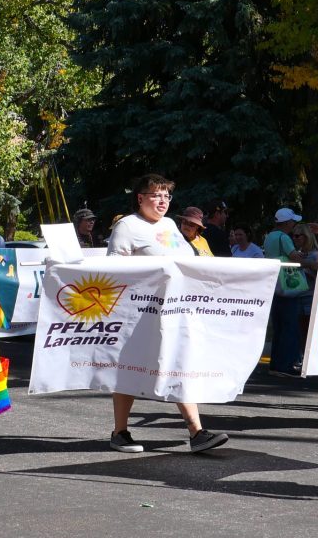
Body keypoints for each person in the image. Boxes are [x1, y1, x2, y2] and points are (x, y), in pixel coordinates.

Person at [106, 174, 229, 454]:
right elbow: (115, 269)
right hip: (139, 313)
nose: (162, 201)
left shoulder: (171, 225)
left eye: (166, 196)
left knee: (179, 363)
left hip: (175, 309)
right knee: (129, 369)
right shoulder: (127, 226)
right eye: (156, 195)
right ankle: (120, 431)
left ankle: (197, 432)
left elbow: (187, 259)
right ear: (140, 198)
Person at [263, 208, 307, 377]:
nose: (294, 225)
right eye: (293, 222)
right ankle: (285, 365)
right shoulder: (283, 237)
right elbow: (294, 256)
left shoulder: (269, 237)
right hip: (287, 285)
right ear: (287, 223)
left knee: (279, 327)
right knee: (290, 326)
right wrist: (304, 257)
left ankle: (276, 363)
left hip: (274, 283)